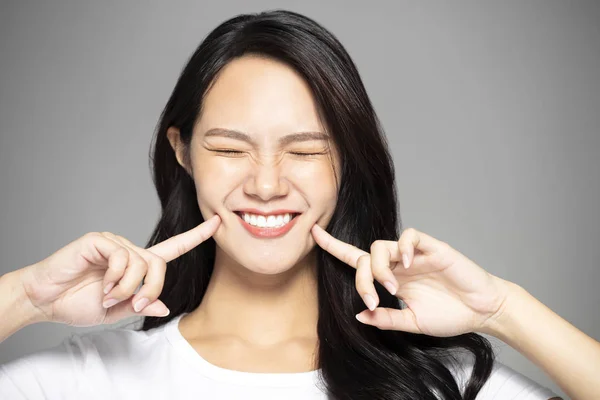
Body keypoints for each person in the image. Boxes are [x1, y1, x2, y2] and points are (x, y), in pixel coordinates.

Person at [0, 9, 597, 400]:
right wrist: (25, 298)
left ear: (348, 161)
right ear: (182, 152)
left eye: (306, 151)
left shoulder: (436, 386)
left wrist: (501, 310)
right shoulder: (85, 382)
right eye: (231, 148)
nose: (266, 184)